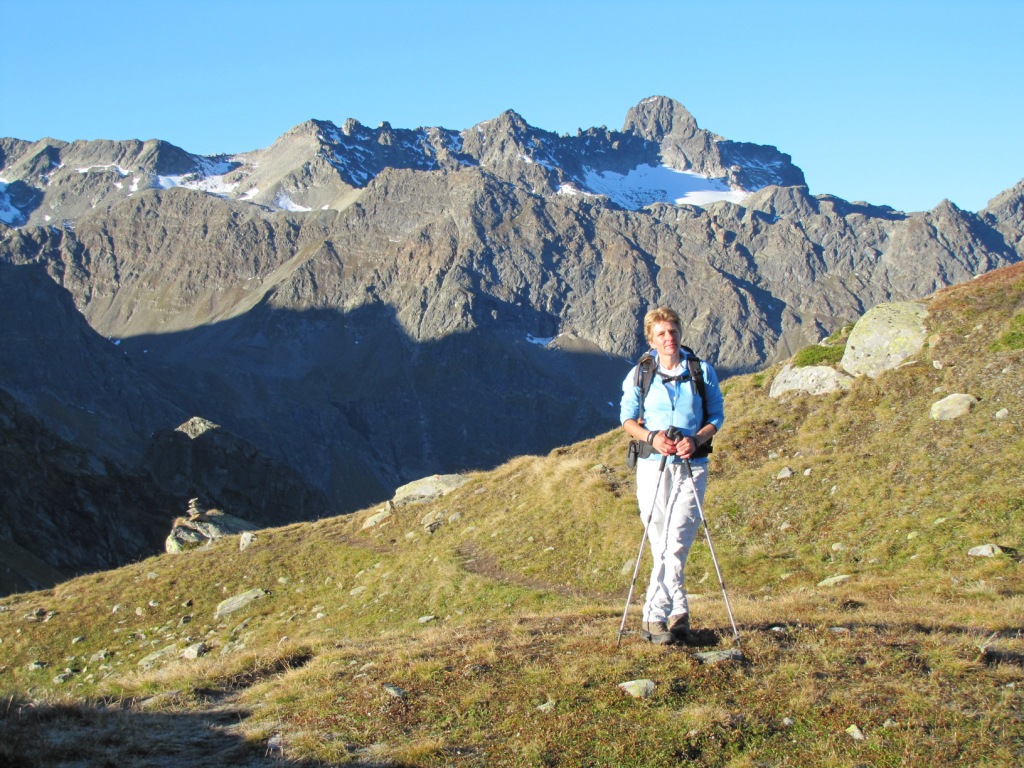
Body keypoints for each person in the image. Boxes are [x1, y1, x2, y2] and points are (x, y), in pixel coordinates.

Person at [619, 307, 725, 645]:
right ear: (651, 340)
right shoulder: (641, 373)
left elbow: (716, 415)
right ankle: (679, 612)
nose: (669, 338)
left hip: (692, 464)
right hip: (653, 465)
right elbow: (627, 419)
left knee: (676, 539)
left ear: (680, 333)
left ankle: (653, 617)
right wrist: (652, 437)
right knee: (660, 541)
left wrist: (696, 439)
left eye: (673, 331)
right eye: (661, 334)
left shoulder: (700, 371)